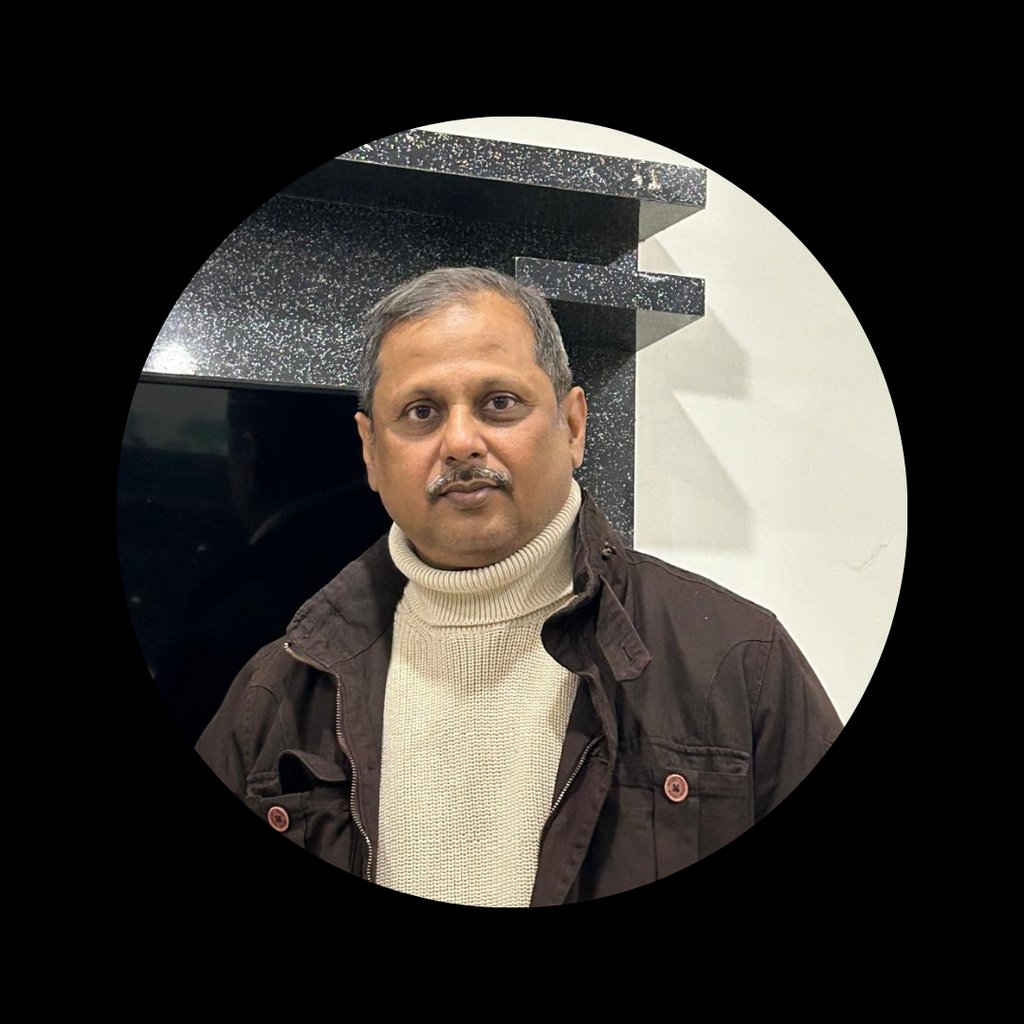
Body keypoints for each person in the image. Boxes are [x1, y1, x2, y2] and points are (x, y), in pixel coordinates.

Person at [197, 266, 842, 907]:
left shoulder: (739, 663)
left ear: (573, 425)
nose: (460, 442)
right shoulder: (276, 694)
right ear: (370, 450)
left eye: (499, 403)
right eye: (421, 412)